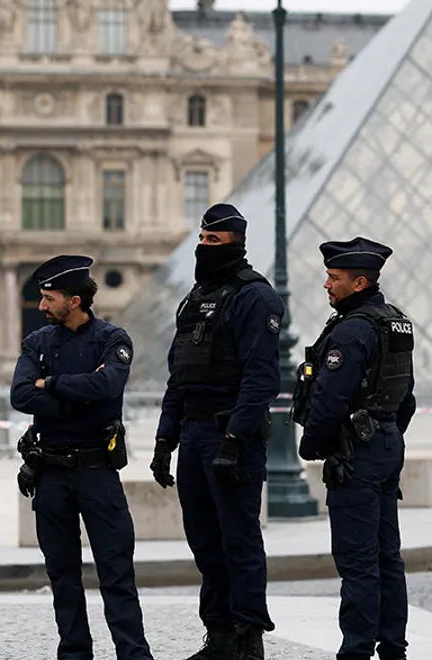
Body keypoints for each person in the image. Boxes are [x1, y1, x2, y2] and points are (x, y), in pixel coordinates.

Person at [151, 203, 282, 660]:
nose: (203, 248)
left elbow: (261, 379)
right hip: (193, 434)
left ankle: (249, 638)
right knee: (205, 541)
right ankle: (220, 635)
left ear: (236, 245)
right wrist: (165, 439)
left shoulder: (255, 297)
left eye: (213, 242)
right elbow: (178, 375)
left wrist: (234, 440)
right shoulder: (193, 298)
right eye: (202, 240)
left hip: (232, 437)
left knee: (239, 540)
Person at [10, 255, 154, 660]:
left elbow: (107, 385)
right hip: (51, 472)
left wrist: (52, 384)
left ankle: (133, 654)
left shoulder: (113, 338)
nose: (41, 306)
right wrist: (78, 397)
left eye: (48, 298)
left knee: (116, 571)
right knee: (61, 574)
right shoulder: (38, 341)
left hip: (96, 471)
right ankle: (74, 653)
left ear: (74, 300)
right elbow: (21, 395)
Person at [294, 237, 416, 660]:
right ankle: (393, 647)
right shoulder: (396, 322)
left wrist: (312, 446)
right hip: (385, 445)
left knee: (358, 561)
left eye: (334, 277)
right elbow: (408, 398)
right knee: (388, 556)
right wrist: (384, 431)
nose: (326, 284)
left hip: (356, 455)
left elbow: (329, 399)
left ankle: (357, 650)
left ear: (359, 282)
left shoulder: (351, 330)